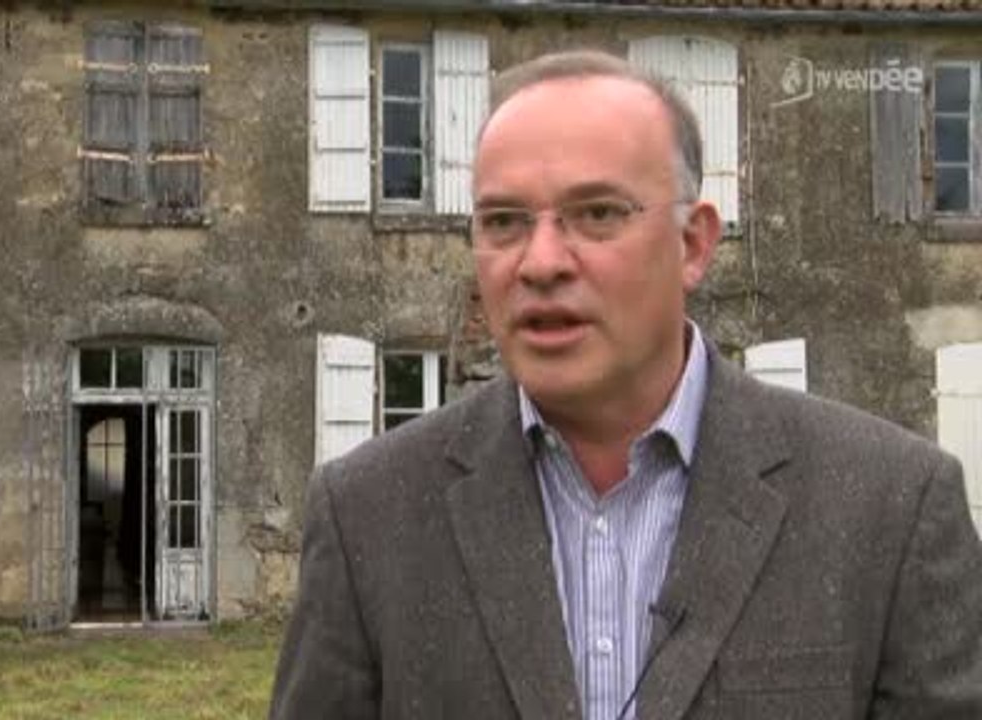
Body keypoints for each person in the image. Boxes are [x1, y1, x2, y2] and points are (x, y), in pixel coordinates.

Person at [270, 50, 982, 720]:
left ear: (694, 244)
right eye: (504, 221)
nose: (541, 261)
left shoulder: (892, 508)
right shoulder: (366, 517)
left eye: (599, 214)